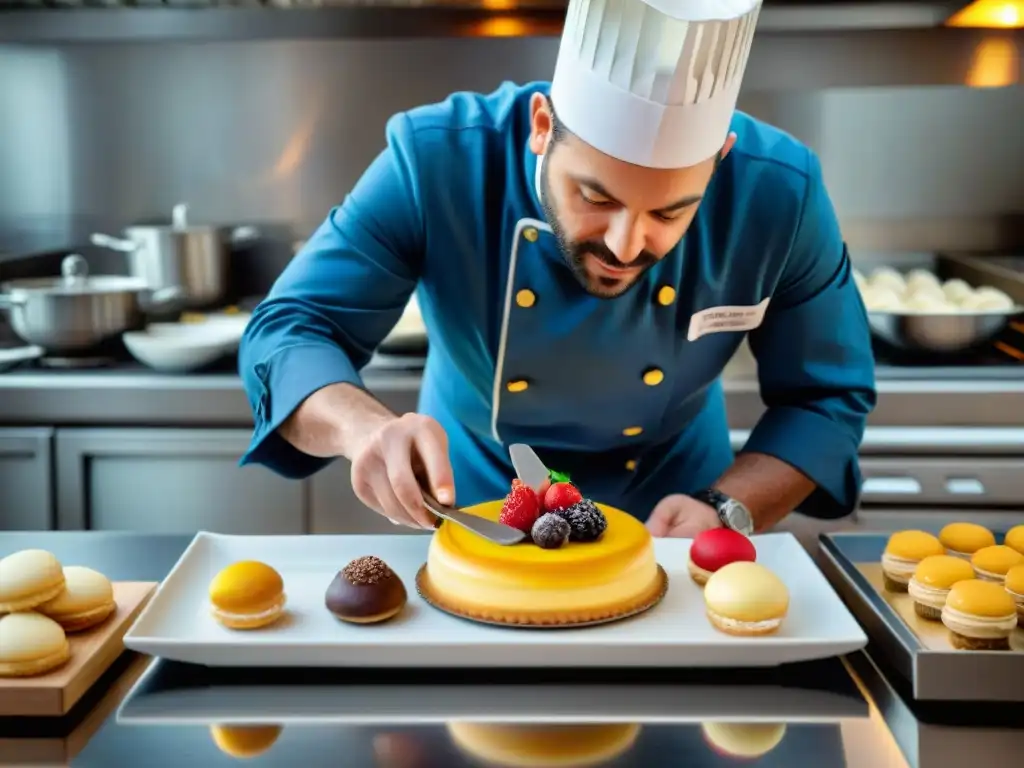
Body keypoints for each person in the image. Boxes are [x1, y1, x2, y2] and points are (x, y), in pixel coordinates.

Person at [238, 0, 876, 540]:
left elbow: (827, 396)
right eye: (596, 198)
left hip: (677, 512)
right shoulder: (438, 160)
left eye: (671, 212)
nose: (628, 244)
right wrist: (362, 428)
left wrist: (727, 508)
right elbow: (291, 328)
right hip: (474, 506)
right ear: (542, 126)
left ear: (721, 159)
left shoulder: (780, 192)